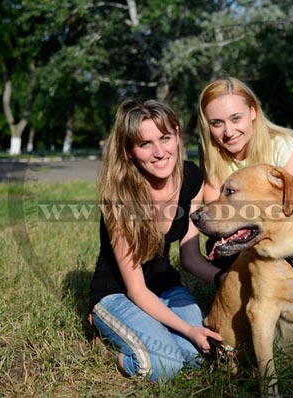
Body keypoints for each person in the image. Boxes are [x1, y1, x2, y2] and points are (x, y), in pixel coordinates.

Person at [89, 99, 227, 381]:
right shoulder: (120, 197)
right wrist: (189, 330)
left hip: (166, 287)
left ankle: (149, 331)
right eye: (145, 144)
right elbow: (137, 290)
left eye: (165, 138)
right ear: (129, 151)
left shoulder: (190, 177)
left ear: (177, 135)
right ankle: (108, 339)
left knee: (198, 357)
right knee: (164, 366)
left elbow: (190, 257)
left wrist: (225, 278)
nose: (159, 152)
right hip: (118, 294)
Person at [198, 76, 293, 203]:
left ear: (253, 111)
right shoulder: (210, 149)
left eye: (236, 119)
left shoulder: (282, 145)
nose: (229, 132)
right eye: (217, 123)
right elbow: (215, 210)